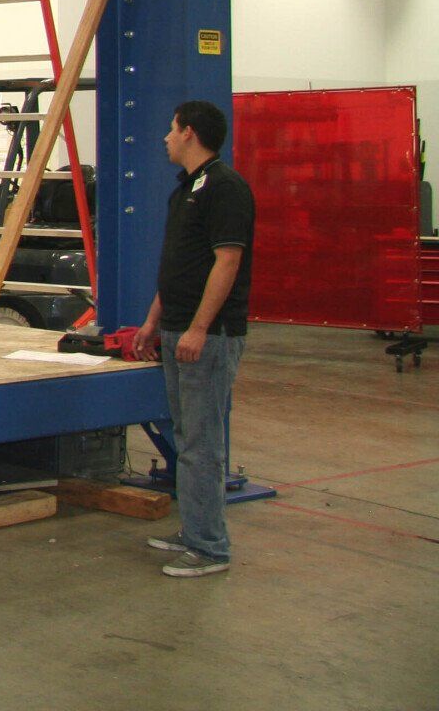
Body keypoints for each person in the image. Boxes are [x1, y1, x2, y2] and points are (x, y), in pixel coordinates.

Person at [135, 99, 255, 578]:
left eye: (171, 128)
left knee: (202, 444)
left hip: (207, 336)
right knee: (187, 439)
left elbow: (227, 261)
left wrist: (200, 328)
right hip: (176, 328)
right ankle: (195, 531)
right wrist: (152, 321)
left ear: (189, 133)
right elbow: (179, 266)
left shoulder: (225, 189)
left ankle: (210, 549)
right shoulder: (186, 189)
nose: (165, 137)